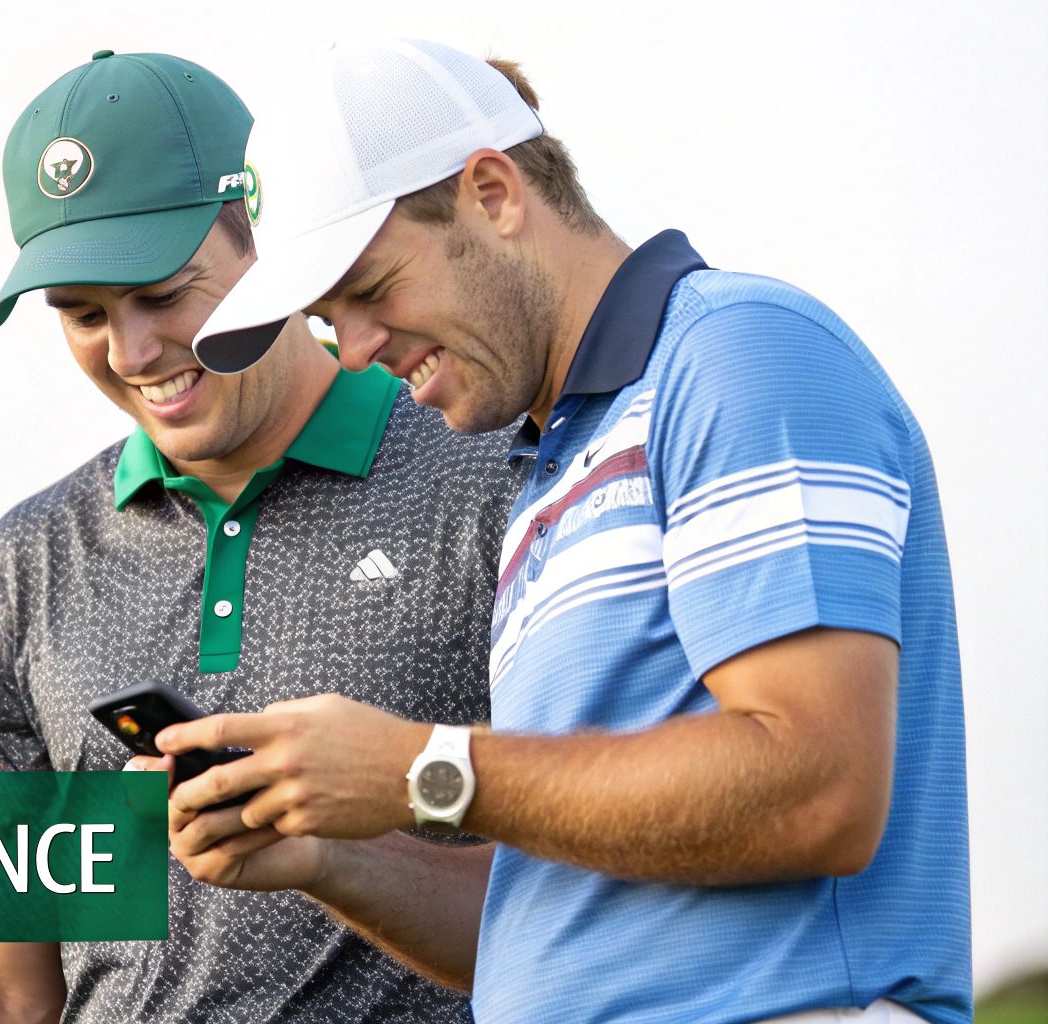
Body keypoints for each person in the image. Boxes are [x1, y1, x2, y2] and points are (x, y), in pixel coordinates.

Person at [155, 37, 971, 1024]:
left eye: (368, 291)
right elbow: (546, 915)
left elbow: (817, 786)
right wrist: (329, 850)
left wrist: (418, 765)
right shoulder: (546, 481)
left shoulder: (736, 353)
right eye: (329, 323)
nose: (357, 350)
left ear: (492, 193)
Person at [0, 48, 522, 1023]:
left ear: (269, 248)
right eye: (81, 314)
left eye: (162, 293)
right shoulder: (25, 561)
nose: (131, 352)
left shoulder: (494, 474)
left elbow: (597, 881)